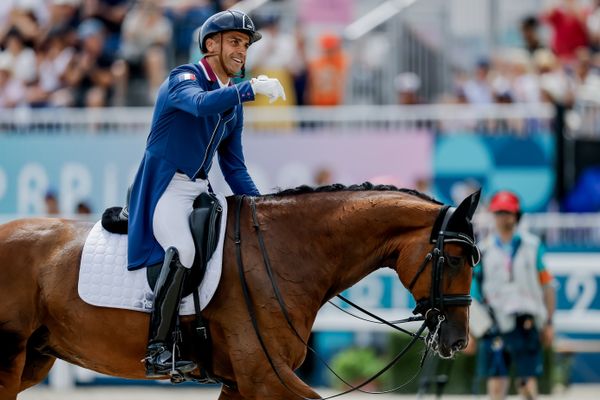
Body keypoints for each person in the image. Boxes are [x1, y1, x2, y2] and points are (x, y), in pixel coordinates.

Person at [126, 9, 285, 378]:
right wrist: (247, 90)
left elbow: (234, 167)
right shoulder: (183, 77)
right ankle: (157, 349)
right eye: (234, 42)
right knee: (183, 249)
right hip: (165, 187)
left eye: (245, 44)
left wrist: (263, 209)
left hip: (199, 190)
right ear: (210, 44)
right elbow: (198, 105)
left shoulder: (231, 103)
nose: (242, 51)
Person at [467, 191, 556, 400]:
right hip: (493, 324)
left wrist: (549, 323)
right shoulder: (483, 250)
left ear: (516, 215)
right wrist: (470, 330)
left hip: (525, 323)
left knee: (527, 385)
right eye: (498, 212)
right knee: (495, 387)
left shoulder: (533, 247)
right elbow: (474, 292)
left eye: (507, 212)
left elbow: (547, 286)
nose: (502, 217)